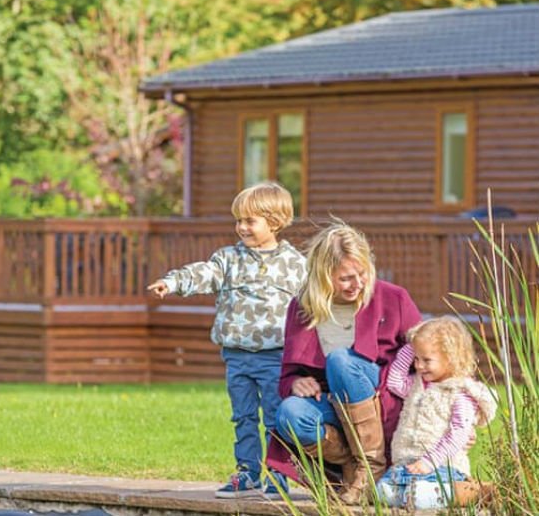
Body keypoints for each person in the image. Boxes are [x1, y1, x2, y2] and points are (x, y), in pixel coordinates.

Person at [147, 182, 307, 497]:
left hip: (276, 356)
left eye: (250, 221)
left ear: (274, 221)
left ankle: (278, 473)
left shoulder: (295, 264)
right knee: (243, 415)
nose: (242, 227)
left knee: (275, 415)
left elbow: (311, 303)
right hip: (237, 356)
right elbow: (204, 273)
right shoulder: (229, 259)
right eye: (239, 221)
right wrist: (173, 282)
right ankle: (247, 472)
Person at [266, 222, 422, 504]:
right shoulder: (301, 308)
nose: (358, 284)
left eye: (362, 274)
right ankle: (356, 466)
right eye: (346, 278)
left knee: (340, 360)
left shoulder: (393, 298)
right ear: (324, 277)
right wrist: (296, 383)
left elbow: (426, 351)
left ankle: (370, 466)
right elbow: (287, 376)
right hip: (332, 405)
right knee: (289, 413)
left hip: (378, 398)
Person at [376, 316, 497, 509]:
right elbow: (395, 382)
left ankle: (474, 493)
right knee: (382, 493)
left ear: (451, 358)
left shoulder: (459, 393)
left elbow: (457, 435)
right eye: (417, 358)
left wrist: (428, 462)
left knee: (418, 498)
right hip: (407, 464)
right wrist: (411, 347)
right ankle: (424, 494)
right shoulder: (417, 385)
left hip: (442, 466)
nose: (419, 365)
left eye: (426, 360)